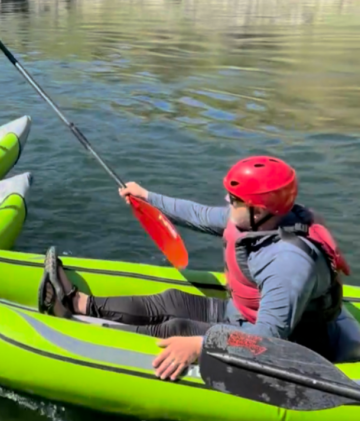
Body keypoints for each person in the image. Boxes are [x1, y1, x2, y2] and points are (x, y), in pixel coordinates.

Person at [40, 156, 360, 380]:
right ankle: (77, 303)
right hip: (242, 316)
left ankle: (77, 333)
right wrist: (147, 197)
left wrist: (200, 345)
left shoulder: (287, 264)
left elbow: (268, 338)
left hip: (293, 345)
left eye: (235, 199)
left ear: (260, 209)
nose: (227, 201)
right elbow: (199, 215)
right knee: (171, 300)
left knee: (178, 328)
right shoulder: (259, 219)